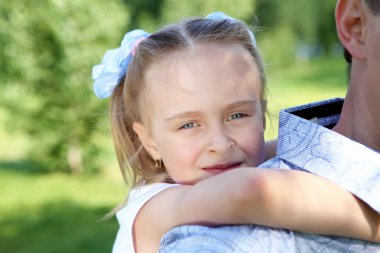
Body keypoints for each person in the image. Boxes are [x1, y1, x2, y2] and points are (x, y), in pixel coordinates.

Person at [92, 12, 380, 253]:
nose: (220, 143)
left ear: (261, 114)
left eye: (237, 115)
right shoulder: (152, 207)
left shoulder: (218, 161)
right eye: (188, 125)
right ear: (149, 141)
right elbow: (249, 192)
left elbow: (289, 146)